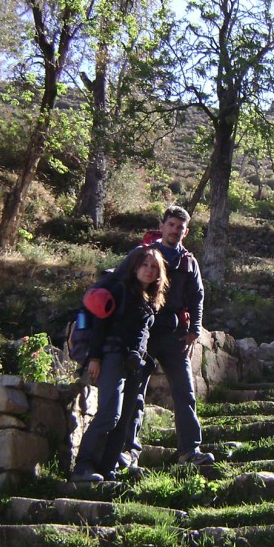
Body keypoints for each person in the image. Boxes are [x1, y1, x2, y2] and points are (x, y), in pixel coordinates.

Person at [112, 205, 214, 468]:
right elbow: (118, 283)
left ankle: (189, 451)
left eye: (180, 227)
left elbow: (197, 298)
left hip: (173, 333)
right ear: (162, 225)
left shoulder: (189, 261)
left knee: (184, 391)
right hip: (140, 333)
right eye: (171, 225)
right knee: (134, 391)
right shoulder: (142, 254)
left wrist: (194, 331)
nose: (175, 230)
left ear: (186, 231)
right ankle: (127, 451)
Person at [71, 246, 167, 483]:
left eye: (154, 267)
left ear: (159, 273)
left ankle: (106, 469)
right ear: (135, 267)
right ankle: (83, 467)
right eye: (145, 264)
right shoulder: (120, 290)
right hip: (112, 356)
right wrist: (94, 358)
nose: (149, 270)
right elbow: (101, 325)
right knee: (109, 414)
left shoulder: (151, 299)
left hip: (135, 362)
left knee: (124, 419)